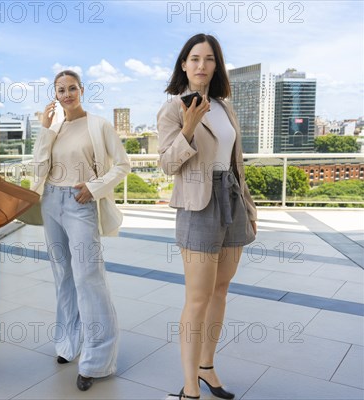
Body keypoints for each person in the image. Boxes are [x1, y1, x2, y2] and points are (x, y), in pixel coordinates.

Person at [157, 34, 257, 399]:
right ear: (183, 64)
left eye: (209, 59)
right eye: (194, 58)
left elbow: (235, 161)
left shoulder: (224, 106)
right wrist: (187, 126)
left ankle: (207, 368)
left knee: (221, 290)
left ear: (217, 66)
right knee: (197, 298)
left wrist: (248, 205)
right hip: (198, 204)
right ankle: (188, 387)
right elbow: (167, 165)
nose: (201, 65)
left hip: (231, 199)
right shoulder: (172, 109)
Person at [31, 70, 131, 391]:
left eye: (72, 88)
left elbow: (122, 164)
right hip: (51, 201)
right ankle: (67, 344)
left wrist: (93, 186)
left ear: (81, 90)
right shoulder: (55, 128)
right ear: (56, 95)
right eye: (61, 90)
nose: (67, 94)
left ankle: (97, 360)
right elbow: (38, 167)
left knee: (88, 277)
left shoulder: (98, 125)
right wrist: (45, 131)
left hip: (80, 201)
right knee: (63, 275)